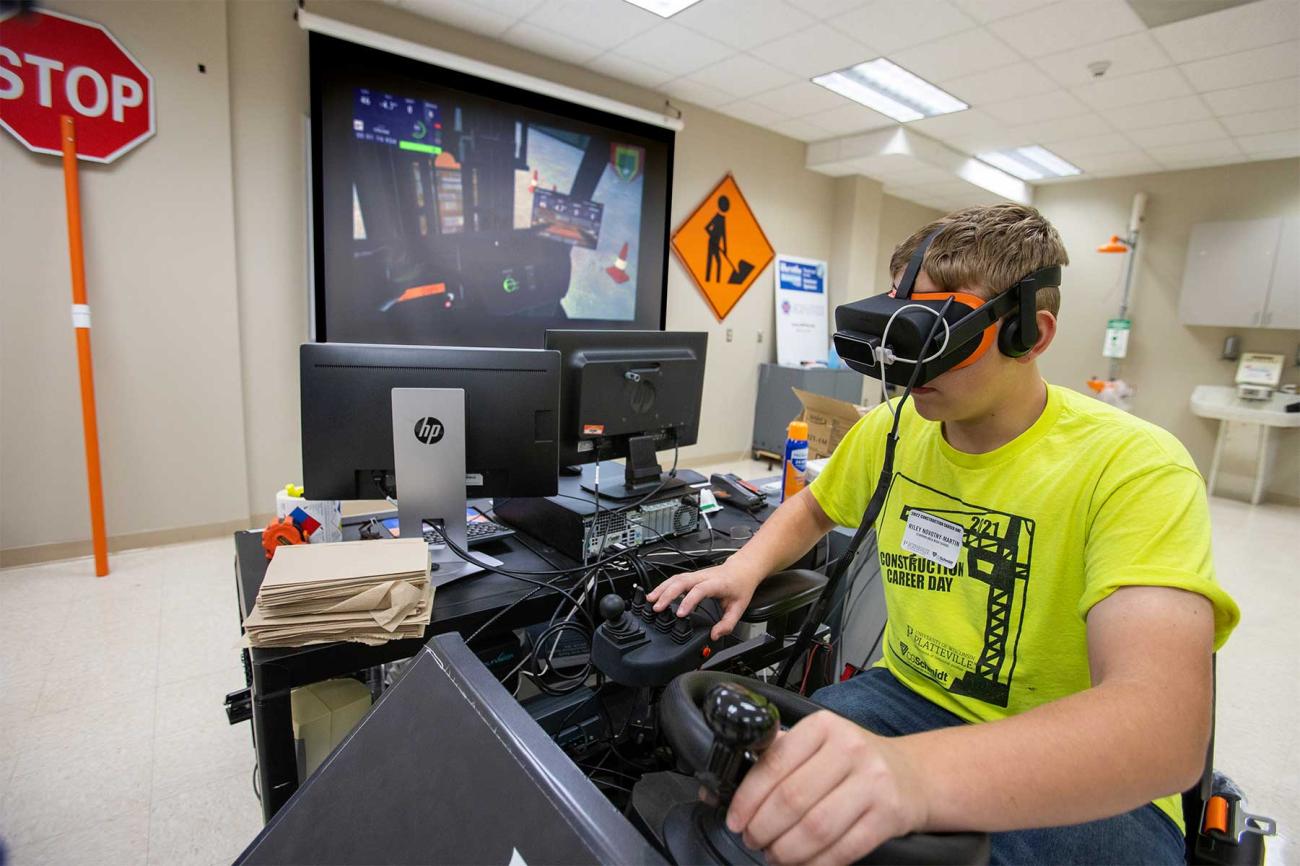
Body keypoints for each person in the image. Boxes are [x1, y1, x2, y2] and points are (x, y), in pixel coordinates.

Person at [649, 204, 1239, 866]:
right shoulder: (892, 428)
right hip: (904, 697)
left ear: (1029, 334)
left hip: (1082, 765)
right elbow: (816, 505)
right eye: (899, 336)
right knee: (755, 817)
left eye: (939, 336)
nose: (910, 369)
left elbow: (1162, 735)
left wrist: (918, 776)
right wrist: (745, 566)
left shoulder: (1133, 466)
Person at [705, 195, 730, 282]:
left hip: (717, 244)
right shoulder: (716, 217)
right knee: (710, 262)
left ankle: (718, 280)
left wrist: (725, 249)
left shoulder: (723, 219)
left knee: (719, 262)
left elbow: (724, 235)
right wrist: (713, 236)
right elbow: (707, 227)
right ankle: (708, 279)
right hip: (712, 243)